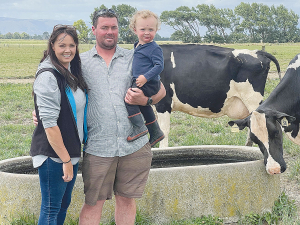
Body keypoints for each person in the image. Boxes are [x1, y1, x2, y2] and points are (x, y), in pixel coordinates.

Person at [30, 24, 88, 225]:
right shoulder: (49, 75)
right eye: (62, 45)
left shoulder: (69, 70)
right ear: (52, 45)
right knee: (51, 208)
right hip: (53, 155)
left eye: (72, 45)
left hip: (68, 151)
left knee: (62, 205)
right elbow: (50, 125)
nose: (68, 50)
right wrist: (65, 160)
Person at [125, 10, 165, 147]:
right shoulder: (137, 46)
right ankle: (156, 132)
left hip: (150, 82)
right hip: (141, 81)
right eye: (143, 29)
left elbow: (159, 66)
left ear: (156, 30)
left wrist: (145, 77)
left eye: (151, 29)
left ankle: (139, 128)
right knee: (142, 105)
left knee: (130, 100)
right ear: (135, 30)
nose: (147, 32)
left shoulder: (154, 48)